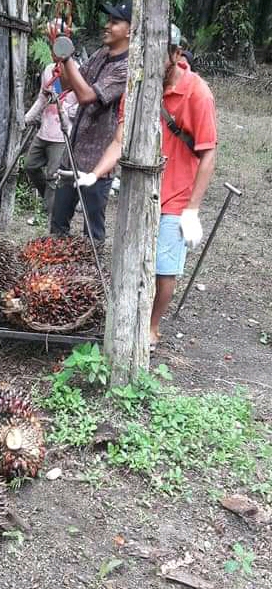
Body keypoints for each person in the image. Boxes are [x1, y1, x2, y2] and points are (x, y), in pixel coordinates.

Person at [75, 24, 217, 347]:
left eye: (158, 57)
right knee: (131, 258)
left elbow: (209, 154)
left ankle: (152, 327)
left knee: (164, 270)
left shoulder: (197, 93)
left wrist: (192, 210)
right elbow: (120, 140)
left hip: (177, 196)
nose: (150, 65)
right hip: (139, 190)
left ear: (176, 54)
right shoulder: (135, 87)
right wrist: (95, 174)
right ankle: (128, 317)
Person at [50, 0, 131, 242]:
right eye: (108, 21)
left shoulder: (125, 68)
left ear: (130, 31)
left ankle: (89, 278)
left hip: (97, 164)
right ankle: (56, 276)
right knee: (58, 227)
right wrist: (58, 49)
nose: (107, 26)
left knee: (91, 235)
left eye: (115, 22)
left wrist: (67, 56)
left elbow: (86, 96)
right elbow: (67, 84)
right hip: (71, 158)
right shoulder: (101, 54)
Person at [24, 58, 78, 223]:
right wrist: (26, 118)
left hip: (61, 136)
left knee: (53, 177)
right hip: (44, 132)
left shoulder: (77, 70)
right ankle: (48, 200)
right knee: (30, 165)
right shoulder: (48, 70)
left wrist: (63, 105)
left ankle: (51, 219)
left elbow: (80, 106)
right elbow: (42, 98)